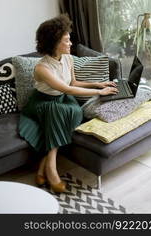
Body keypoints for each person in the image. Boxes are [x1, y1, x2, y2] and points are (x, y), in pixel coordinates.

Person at [19, 14, 118, 193]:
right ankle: (52, 170)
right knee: (56, 113)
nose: (71, 43)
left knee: (75, 112)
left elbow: (74, 83)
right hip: (43, 102)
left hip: (62, 99)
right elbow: (68, 89)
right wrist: (99, 92)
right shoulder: (42, 68)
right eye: (66, 40)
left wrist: (97, 83)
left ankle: (43, 165)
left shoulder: (69, 58)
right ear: (54, 43)